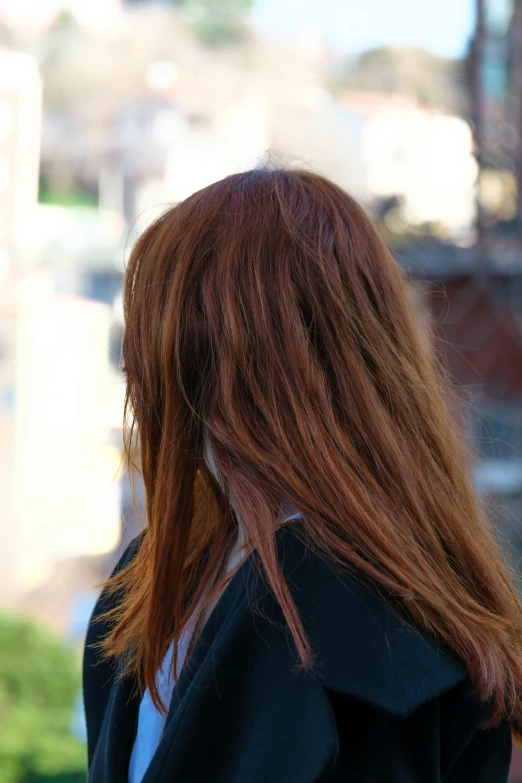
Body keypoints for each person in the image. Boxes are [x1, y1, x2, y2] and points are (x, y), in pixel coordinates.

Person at [83, 167, 521, 782]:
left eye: (157, 312)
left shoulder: (367, 621)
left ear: (215, 340)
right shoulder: (155, 576)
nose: (134, 352)